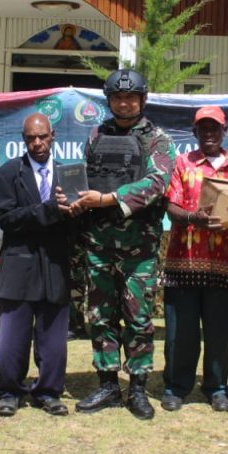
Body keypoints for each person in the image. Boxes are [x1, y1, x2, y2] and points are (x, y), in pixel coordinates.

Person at [66, 68, 175, 420]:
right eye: (117, 98)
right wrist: (73, 198)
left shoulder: (157, 139)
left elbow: (156, 184)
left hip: (138, 248)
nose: (124, 103)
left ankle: (138, 389)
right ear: (109, 101)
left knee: (139, 318)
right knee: (101, 316)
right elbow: (83, 177)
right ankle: (108, 384)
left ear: (142, 99)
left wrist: (108, 198)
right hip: (98, 242)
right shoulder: (96, 135)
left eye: (131, 97)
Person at [160, 105, 228, 413]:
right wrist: (193, 218)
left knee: (219, 332)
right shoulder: (182, 163)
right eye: (203, 128)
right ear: (195, 132)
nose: (209, 133)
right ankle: (176, 385)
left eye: (215, 128)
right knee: (180, 332)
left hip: (223, 264)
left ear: (224, 132)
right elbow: (170, 208)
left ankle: (217, 387)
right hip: (184, 262)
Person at [0, 113, 72, 417]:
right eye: (30, 138)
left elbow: (79, 220)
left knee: (54, 340)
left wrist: (79, 212)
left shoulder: (70, 174)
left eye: (42, 136)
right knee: (12, 338)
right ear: (23, 139)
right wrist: (48, 210)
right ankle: (9, 390)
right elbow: (5, 218)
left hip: (56, 266)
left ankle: (49, 391)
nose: (37, 143)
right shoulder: (9, 173)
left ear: (53, 136)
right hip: (18, 266)